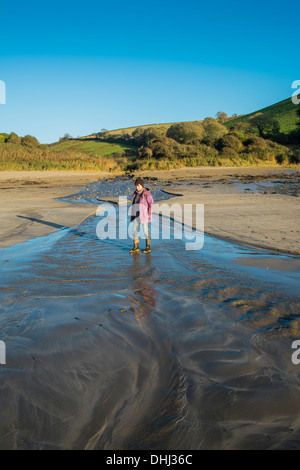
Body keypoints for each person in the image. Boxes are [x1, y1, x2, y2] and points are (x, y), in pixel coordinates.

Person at [129, 177, 154, 254]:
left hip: (145, 216)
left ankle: (148, 247)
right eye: (136, 185)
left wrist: (149, 213)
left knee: (146, 232)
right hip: (136, 216)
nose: (137, 187)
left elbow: (152, 204)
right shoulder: (135, 193)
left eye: (139, 185)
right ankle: (136, 247)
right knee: (134, 231)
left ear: (142, 186)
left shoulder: (147, 193)